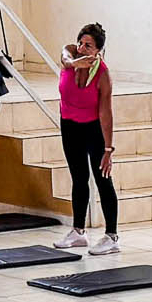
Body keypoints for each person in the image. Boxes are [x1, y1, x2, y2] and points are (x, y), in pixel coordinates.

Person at [56, 23, 120, 255]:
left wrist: (108, 149)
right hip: (69, 125)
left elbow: (106, 112)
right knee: (78, 178)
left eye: (89, 46)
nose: (82, 48)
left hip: (93, 128)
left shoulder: (103, 75)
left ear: (98, 51)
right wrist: (75, 62)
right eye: (81, 43)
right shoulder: (70, 53)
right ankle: (78, 232)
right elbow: (65, 57)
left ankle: (112, 236)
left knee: (102, 179)